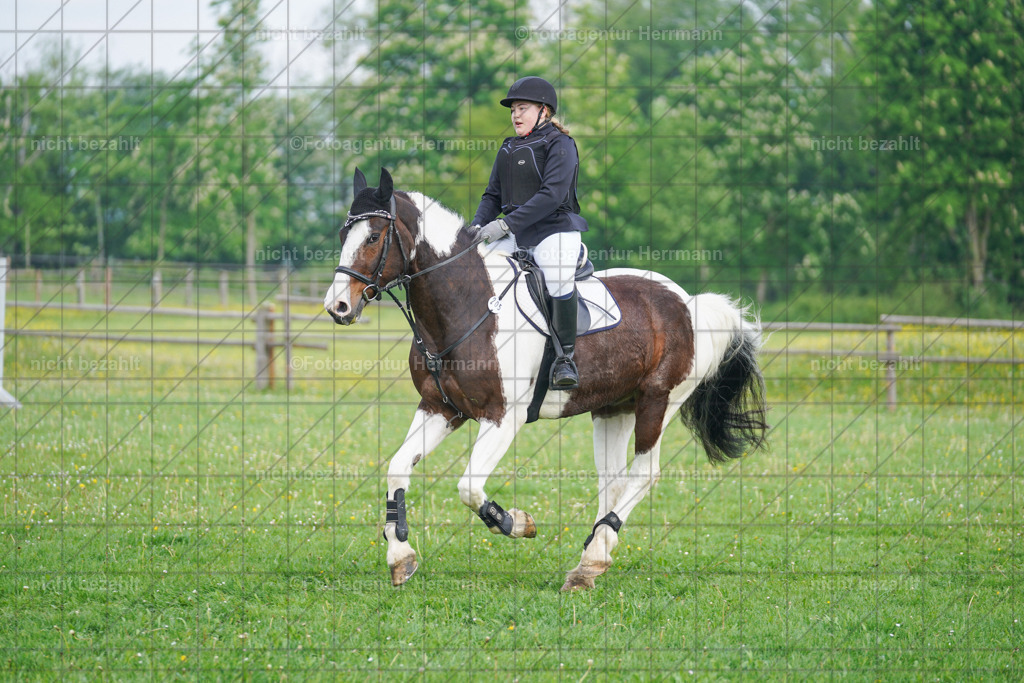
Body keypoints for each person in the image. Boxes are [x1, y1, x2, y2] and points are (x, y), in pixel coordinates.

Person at [471, 76, 588, 390]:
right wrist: (476, 227)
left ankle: (565, 358)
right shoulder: (508, 147)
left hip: (554, 231)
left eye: (522, 108)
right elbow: (492, 196)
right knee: (475, 270)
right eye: (513, 110)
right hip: (517, 234)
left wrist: (505, 225)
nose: (515, 115)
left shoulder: (560, 144)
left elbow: (552, 196)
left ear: (544, 111)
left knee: (557, 276)